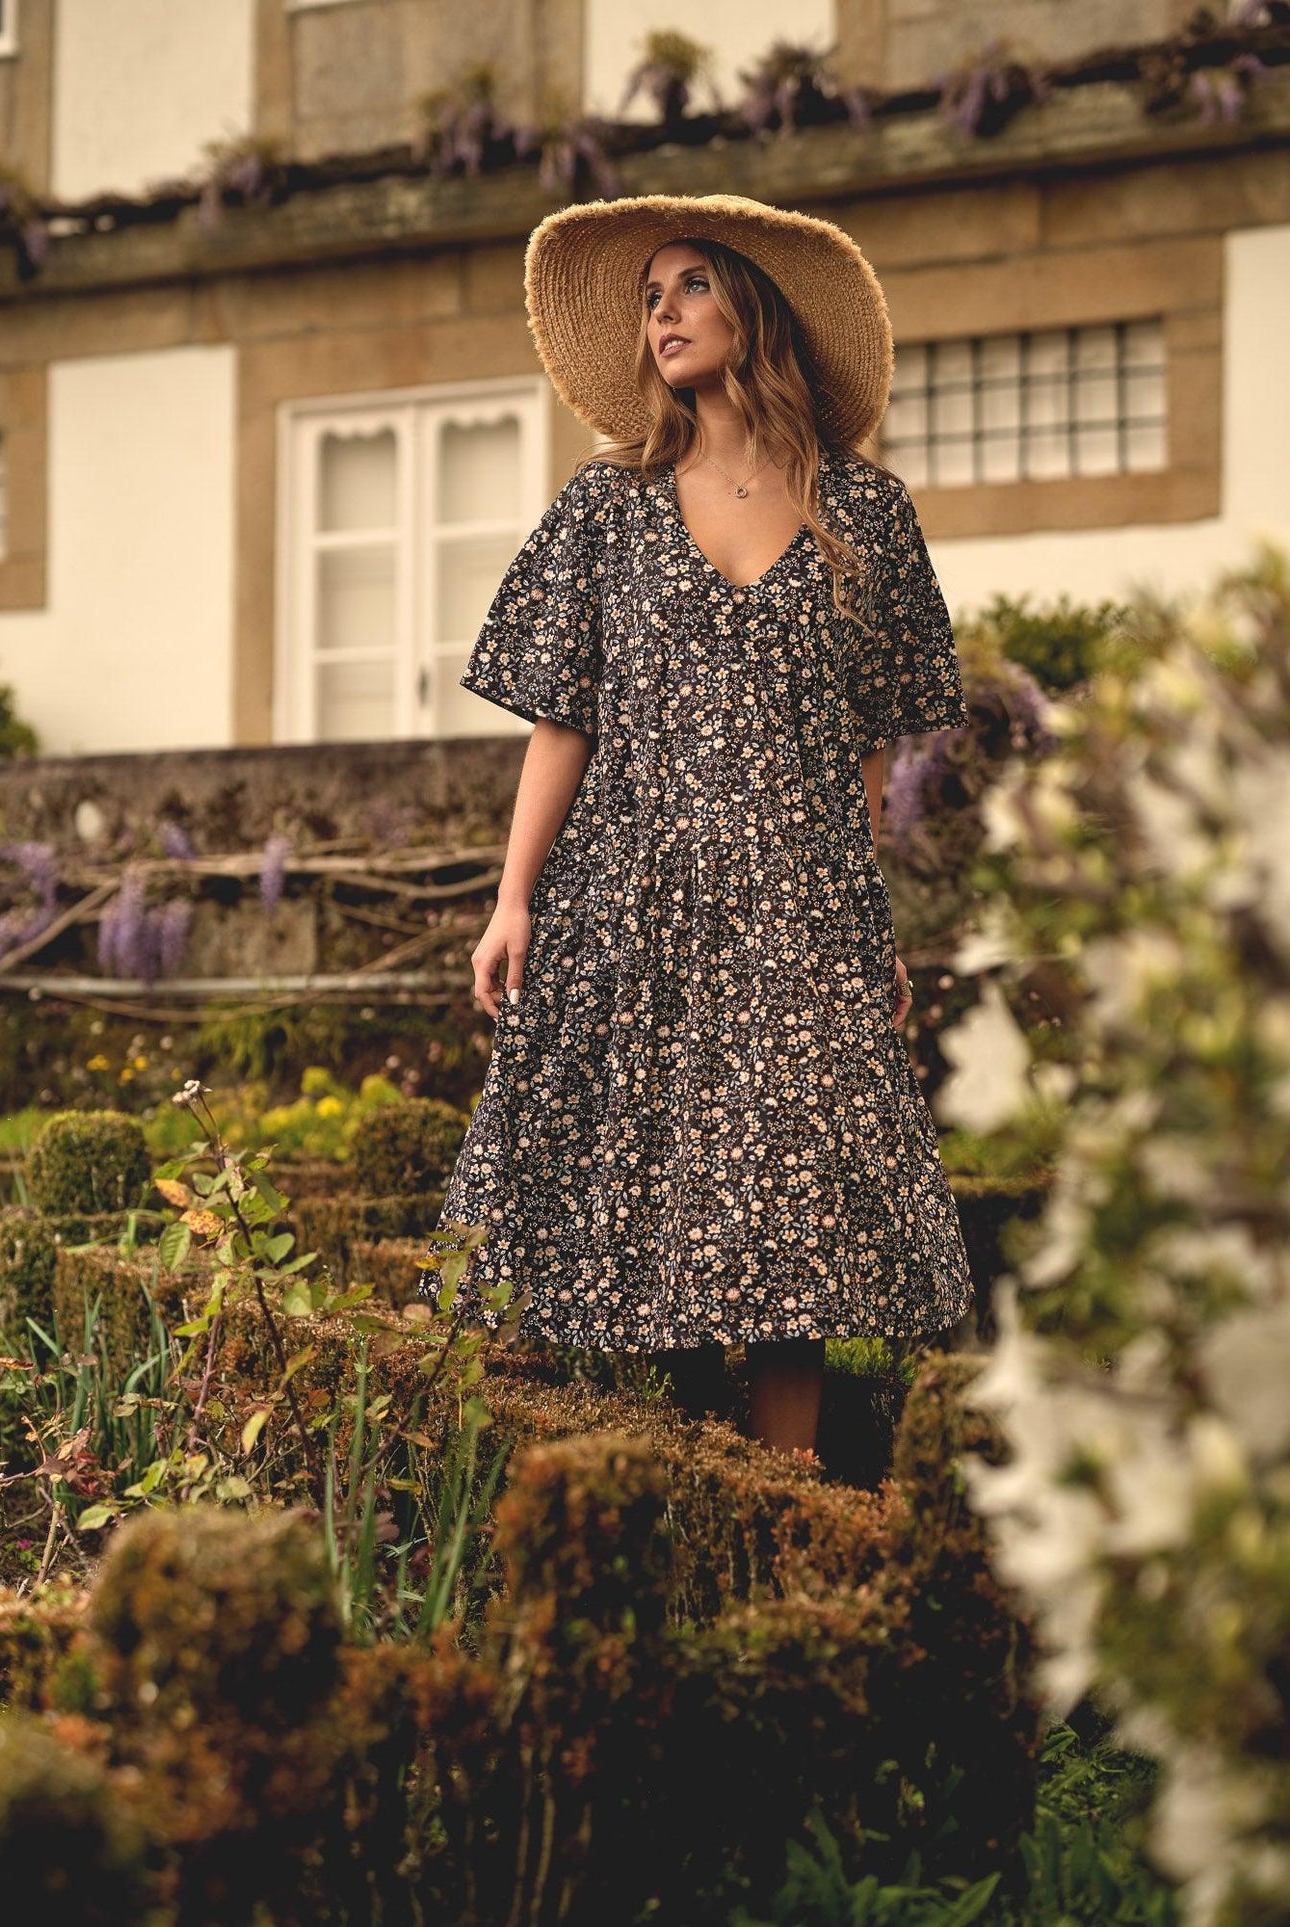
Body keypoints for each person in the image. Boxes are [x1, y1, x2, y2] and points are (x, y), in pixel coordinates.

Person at [418, 193, 974, 1462]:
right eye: (647, 298)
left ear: (750, 305)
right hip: (632, 898)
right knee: (645, 1205)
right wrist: (514, 900)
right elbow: (559, 719)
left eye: (686, 288)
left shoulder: (867, 515)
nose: (659, 315)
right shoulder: (603, 507)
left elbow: (870, 739)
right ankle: (674, 1504)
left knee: (795, 1232)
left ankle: (787, 1513)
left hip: (795, 908)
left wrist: (863, 922)